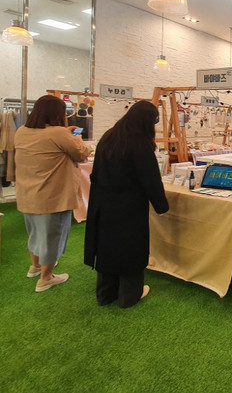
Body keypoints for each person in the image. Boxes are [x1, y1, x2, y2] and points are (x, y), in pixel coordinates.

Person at [84, 101, 169, 308]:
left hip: (102, 204)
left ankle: (105, 295)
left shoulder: (109, 136)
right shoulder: (139, 143)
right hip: (129, 207)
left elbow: (96, 172)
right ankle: (129, 296)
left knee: (106, 248)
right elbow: (150, 179)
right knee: (131, 249)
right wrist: (161, 206)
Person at [14, 94, 92, 292]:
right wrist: (77, 138)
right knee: (52, 236)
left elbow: (48, 143)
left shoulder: (22, 131)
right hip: (52, 195)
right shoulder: (58, 133)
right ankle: (46, 278)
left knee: (35, 233)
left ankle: (35, 267)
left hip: (27, 193)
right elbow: (81, 153)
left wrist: (66, 133)